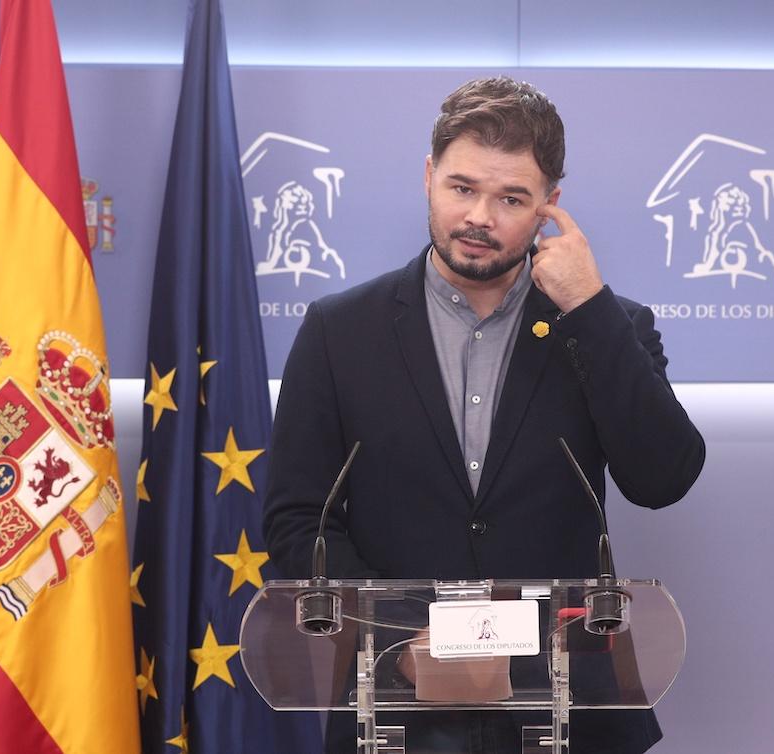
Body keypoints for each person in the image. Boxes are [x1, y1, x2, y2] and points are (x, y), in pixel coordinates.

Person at [263, 76, 705, 754]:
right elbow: (298, 521)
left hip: (571, 709)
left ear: (550, 206)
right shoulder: (338, 331)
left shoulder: (607, 324)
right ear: (428, 176)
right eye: (462, 188)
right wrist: (406, 637)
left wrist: (588, 309)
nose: (480, 217)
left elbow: (663, 477)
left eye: (512, 199)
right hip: (398, 704)